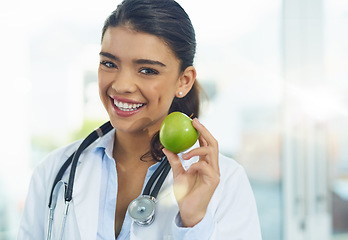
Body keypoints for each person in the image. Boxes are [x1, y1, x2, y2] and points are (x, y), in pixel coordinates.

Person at [18, 0, 262, 239]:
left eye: (147, 70)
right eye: (109, 63)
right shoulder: (54, 171)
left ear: (183, 81)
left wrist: (194, 221)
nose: (121, 85)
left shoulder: (226, 183)